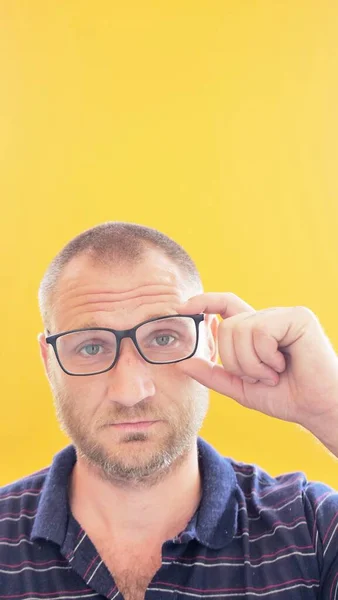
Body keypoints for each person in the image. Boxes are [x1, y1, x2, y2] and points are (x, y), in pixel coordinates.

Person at [1, 221, 338, 600]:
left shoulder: (313, 530)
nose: (130, 392)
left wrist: (329, 410)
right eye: (91, 347)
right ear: (49, 361)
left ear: (209, 341)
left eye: (163, 338)